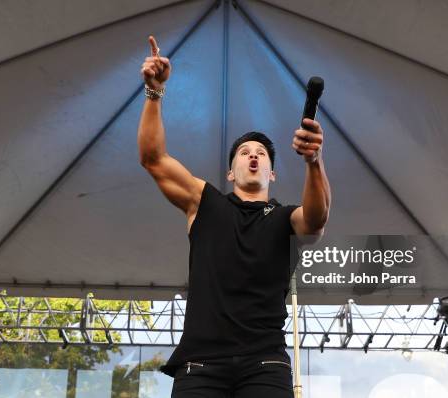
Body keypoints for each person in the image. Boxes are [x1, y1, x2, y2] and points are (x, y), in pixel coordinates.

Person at [137, 35, 331, 398]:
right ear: (231, 172)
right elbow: (153, 159)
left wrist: (313, 161)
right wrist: (154, 92)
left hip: (265, 365)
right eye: (244, 152)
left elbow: (317, 220)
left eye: (261, 153)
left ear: (272, 173)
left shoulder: (288, 218)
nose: (253, 156)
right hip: (200, 366)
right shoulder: (203, 201)